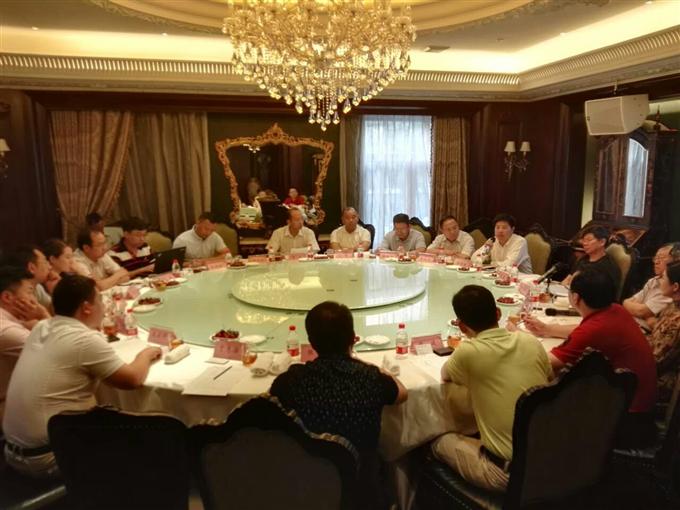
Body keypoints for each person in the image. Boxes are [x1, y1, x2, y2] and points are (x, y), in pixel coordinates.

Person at [2, 274, 162, 478]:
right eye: (100, 301)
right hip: (49, 457)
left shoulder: (42, 327)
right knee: (147, 439)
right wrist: (146, 354)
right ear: (87, 307)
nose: (103, 307)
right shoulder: (83, 339)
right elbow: (132, 380)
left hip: (14, 451)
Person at [433, 285, 551, 492]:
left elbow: (445, 375)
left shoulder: (468, 352)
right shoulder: (530, 342)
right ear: (498, 313)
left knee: (435, 441)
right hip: (553, 459)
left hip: (508, 474)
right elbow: (549, 377)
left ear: (461, 327)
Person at [270, 301, 407, 449]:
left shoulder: (291, 380)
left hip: (307, 462)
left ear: (311, 342)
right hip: (360, 463)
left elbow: (269, 404)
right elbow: (402, 393)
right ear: (353, 338)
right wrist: (368, 365)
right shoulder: (371, 377)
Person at [545, 268, 657, 448]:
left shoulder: (595, 329)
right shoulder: (615, 310)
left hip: (626, 419)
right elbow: (583, 330)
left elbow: (548, 363)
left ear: (576, 298)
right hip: (639, 404)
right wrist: (547, 329)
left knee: (541, 402)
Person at [0, 267, 38, 423]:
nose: (34, 300)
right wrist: (43, 317)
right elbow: (58, 352)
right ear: (7, 297)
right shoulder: (5, 329)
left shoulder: (11, 319)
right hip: (8, 408)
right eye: (29, 292)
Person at [624, 242, 679, 331]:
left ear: (675, 261)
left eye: (662, 258)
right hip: (631, 321)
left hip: (643, 331)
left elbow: (641, 311)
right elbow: (627, 302)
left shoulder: (671, 290)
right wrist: (645, 315)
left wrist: (643, 313)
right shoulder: (654, 280)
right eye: (656, 258)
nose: (656, 262)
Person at [647, 261, 680, 404]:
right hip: (650, 364)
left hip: (661, 381)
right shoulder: (673, 305)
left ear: (675, 287)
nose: (660, 281)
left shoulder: (677, 322)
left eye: (664, 278)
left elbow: (655, 362)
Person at [562, 225, 620, 289]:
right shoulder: (583, 259)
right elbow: (568, 279)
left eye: (589, 240)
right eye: (584, 240)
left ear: (602, 242)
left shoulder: (607, 266)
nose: (585, 243)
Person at [2, 246, 56, 310]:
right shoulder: (15, 287)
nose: (50, 267)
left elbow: (53, 309)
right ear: (31, 268)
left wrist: (56, 290)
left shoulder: (38, 287)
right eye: (45, 262)